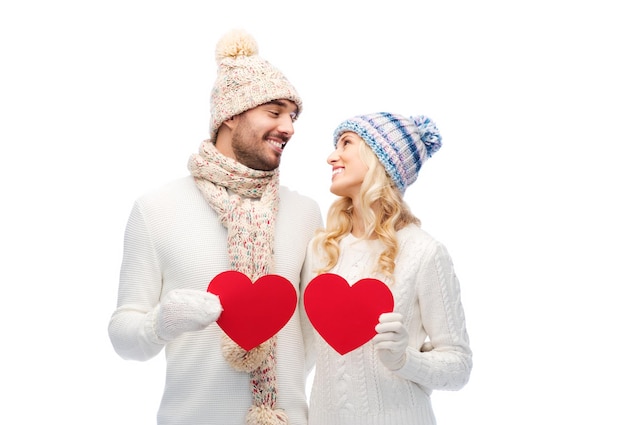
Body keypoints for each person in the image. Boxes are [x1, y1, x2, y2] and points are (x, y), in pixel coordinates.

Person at [108, 29, 323, 425]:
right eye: (274, 112)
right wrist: (161, 322)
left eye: (292, 117)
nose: (289, 128)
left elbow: (316, 336)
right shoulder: (156, 208)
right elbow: (123, 335)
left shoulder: (305, 213)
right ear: (229, 116)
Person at [302, 112, 472, 424]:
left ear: (380, 159)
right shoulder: (320, 250)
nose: (331, 156)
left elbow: (459, 367)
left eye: (346, 143)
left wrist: (404, 360)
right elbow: (302, 352)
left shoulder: (424, 251)